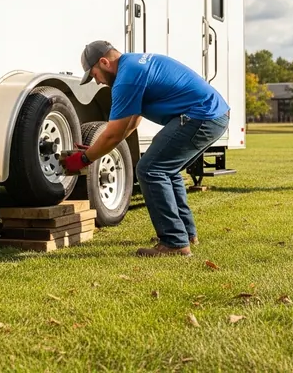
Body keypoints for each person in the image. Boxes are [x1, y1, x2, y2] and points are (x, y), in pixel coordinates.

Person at [61, 40, 230, 257]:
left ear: (104, 62)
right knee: (167, 170)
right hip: (212, 114)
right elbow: (130, 122)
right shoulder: (133, 65)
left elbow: (113, 133)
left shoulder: (126, 78)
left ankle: (174, 243)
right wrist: (98, 147)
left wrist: (84, 159)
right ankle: (184, 234)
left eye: (94, 75)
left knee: (150, 170)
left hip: (202, 116)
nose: (97, 82)